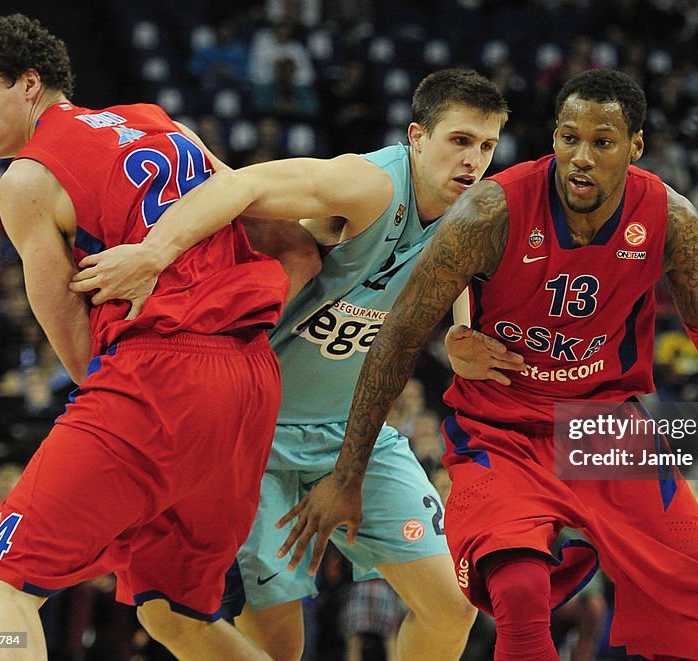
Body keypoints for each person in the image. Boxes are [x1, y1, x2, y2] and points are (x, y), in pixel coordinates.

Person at [277, 68, 698, 660]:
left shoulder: (671, 219)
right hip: (500, 431)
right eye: (568, 138)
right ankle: (569, 545)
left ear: (634, 147)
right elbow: (398, 339)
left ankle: (583, 542)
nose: (580, 157)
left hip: (606, 432)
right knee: (519, 591)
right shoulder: (490, 213)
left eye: (602, 143)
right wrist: (347, 474)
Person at [68, 68, 511, 660]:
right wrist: (153, 253)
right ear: (417, 137)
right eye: (459, 140)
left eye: (485, 146)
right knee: (280, 648)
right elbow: (243, 186)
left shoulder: (475, 211)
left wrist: (462, 327)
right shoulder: (366, 185)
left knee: (453, 609)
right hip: (258, 436)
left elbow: (466, 261)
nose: (473, 160)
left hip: (356, 435)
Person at [0, 14, 316, 659]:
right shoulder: (160, 122)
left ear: (29, 85)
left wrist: (140, 409)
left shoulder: (27, 181)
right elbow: (298, 250)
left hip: (156, 379)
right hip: (250, 384)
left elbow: (72, 335)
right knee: (176, 613)